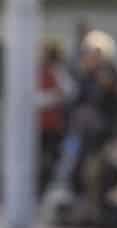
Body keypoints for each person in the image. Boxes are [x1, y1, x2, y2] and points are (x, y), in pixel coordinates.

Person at [37, 41, 71, 196]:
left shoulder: (57, 71)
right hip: (38, 125)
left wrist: (50, 98)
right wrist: (52, 97)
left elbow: (68, 92)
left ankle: (42, 191)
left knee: (50, 161)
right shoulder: (37, 71)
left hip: (52, 125)